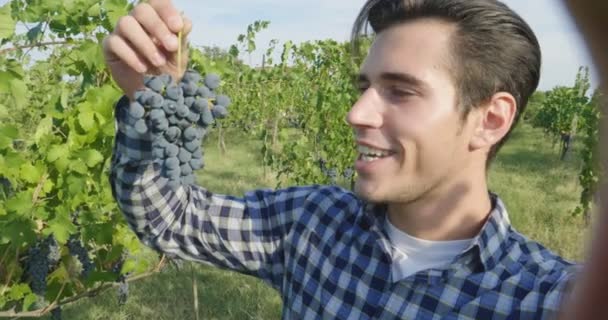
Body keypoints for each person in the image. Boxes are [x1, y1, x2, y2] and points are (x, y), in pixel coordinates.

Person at [103, 0, 582, 318]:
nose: (356, 112)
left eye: (401, 91)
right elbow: (171, 218)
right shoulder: (312, 224)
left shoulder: (549, 299)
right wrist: (150, 100)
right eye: (365, 87)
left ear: (491, 120)